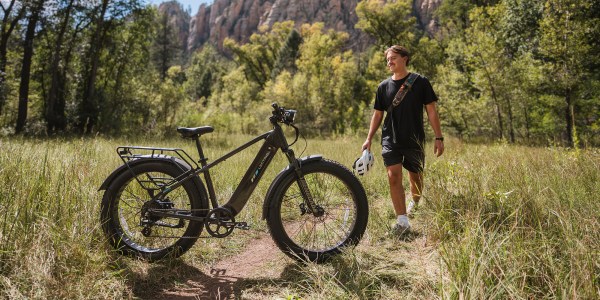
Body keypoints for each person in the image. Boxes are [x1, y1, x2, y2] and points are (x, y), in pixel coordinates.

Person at [362, 45, 444, 234]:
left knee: (415, 176)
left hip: (414, 139)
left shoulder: (420, 82)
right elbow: (377, 115)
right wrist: (369, 139)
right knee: (393, 176)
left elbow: (431, 111)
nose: (389, 62)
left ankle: (414, 201)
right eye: (387, 60)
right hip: (390, 139)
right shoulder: (383, 87)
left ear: (405, 58)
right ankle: (402, 221)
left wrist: (439, 137)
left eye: (393, 58)